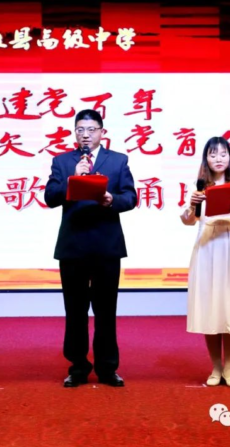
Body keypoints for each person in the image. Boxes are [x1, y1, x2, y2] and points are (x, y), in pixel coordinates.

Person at [44, 109, 137, 387]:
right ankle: (78, 367)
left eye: (91, 129)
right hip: (73, 247)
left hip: (106, 246)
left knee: (106, 310)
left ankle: (107, 368)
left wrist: (111, 199)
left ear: (102, 132)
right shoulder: (62, 162)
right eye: (80, 130)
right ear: (75, 132)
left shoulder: (118, 160)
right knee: (75, 310)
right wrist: (72, 178)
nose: (85, 135)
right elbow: (50, 197)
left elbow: (130, 196)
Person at [180, 136, 230, 388]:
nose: (218, 158)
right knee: (211, 308)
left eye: (223, 154)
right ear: (206, 158)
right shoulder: (199, 186)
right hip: (207, 247)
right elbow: (188, 221)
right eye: (213, 154)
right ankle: (216, 367)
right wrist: (191, 206)